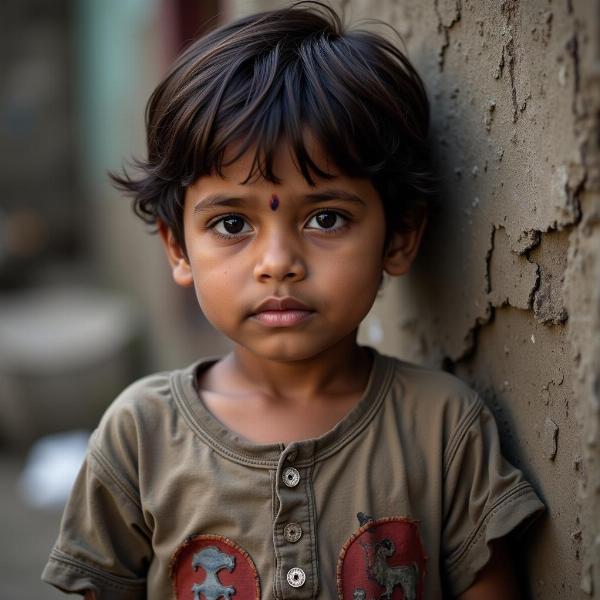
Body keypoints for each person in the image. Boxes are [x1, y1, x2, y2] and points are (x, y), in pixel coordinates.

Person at [42, 3, 544, 599]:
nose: (277, 262)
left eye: (326, 217)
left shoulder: (444, 432)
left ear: (401, 236)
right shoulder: (140, 438)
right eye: (231, 224)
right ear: (178, 248)